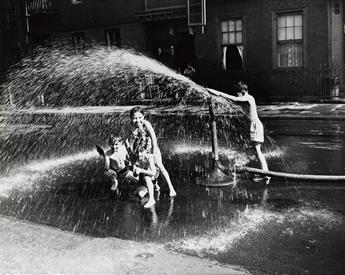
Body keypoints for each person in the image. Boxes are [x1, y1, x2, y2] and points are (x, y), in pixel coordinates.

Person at [208, 81, 269, 176]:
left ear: (243, 92)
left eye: (238, 94)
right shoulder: (245, 99)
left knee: (258, 151)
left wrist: (219, 93)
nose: (238, 96)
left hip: (255, 125)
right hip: (253, 125)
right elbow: (233, 100)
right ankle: (263, 172)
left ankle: (266, 173)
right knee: (254, 151)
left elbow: (234, 98)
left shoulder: (249, 98)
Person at [126, 107, 177, 198]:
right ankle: (152, 186)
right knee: (145, 169)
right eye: (134, 118)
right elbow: (126, 140)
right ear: (130, 118)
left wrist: (153, 154)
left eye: (140, 117)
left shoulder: (146, 124)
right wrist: (130, 152)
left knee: (160, 167)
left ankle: (171, 187)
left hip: (152, 149)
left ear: (143, 117)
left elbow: (154, 139)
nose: (137, 120)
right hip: (142, 150)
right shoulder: (130, 126)